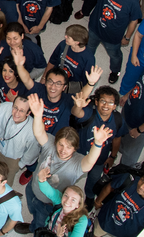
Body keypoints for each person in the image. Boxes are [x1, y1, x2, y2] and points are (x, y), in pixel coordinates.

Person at [14, 94, 111, 234]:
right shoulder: (50, 144)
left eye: (69, 147)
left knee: (42, 223)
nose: (63, 150)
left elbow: (90, 162)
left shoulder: (77, 163)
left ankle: (35, 229)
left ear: (75, 148)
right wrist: (38, 115)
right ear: (56, 142)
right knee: (33, 210)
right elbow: (39, 132)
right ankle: (32, 225)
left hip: (49, 203)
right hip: (33, 188)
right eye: (61, 144)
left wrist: (97, 144)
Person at [94, 169, 144, 237]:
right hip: (104, 221)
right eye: (142, 180)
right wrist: (98, 202)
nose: (141, 186)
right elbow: (110, 186)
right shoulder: (129, 180)